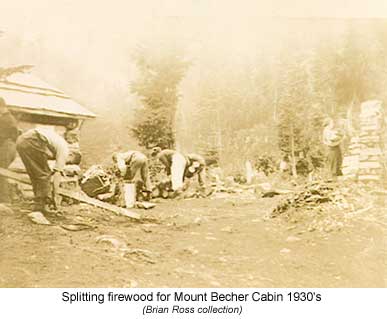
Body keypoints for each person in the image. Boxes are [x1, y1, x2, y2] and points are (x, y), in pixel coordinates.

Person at [16, 127, 80, 213]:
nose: (66, 163)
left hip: (21, 140)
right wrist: (55, 196)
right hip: (33, 140)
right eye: (69, 162)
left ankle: (39, 203)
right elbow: (57, 176)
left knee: (35, 174)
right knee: (45, 175)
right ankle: (42, 206)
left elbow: (45, 155)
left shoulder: (57, 141)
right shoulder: (64, 150)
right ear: (71, 155)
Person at [0, 97, 19, 203]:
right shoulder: (10, 118)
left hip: (6, 146)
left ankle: (4, 200)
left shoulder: (4, 119)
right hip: (9, 146)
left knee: (2, 172)